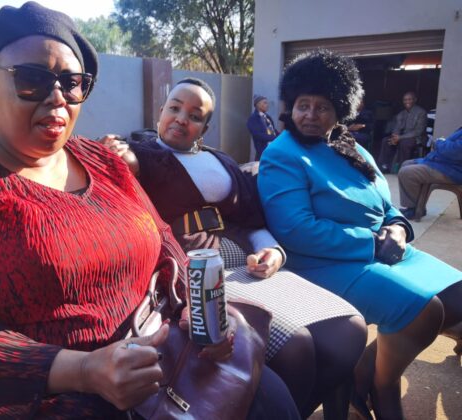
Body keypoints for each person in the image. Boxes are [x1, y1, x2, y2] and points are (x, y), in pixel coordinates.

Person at [0, 3, 299, 419]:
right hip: (43, 398)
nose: (57, 97)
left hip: (157, 353)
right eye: (32, 79)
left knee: (274, 400)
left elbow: (162, 237)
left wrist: (196, 312)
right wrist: (82, 370)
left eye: (72, 83)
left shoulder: (103, 161)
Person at [101, 78, 367, 418]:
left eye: (195, 116)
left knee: (347, 332)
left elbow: (250, 218)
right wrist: (113, 152)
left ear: (205, 128)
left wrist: (272, 250)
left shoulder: (222, 161)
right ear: (161, 112)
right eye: (175, 108)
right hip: (192, 273)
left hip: (244, 261)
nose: (181, 119)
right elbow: (114, 174)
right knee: (297, 346)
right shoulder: (141, 156)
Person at [258, 49, 462, 419]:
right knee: (424, 311)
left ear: (340, 110)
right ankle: (384, 387)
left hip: (381, 249)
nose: (310, 115)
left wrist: (398, 228)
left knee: (459, 296)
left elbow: (385, 204)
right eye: (303, 105)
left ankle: (365, 370)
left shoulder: (349, 147)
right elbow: (296, 230)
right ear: (291, 106)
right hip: (322, 264)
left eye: (322, 107)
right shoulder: (282, 154)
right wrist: (371, 243)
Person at [397, 126, 462, 220]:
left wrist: (439, 142)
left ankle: (415, 210)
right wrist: (442, 143)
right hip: (445, 164)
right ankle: (415, 207)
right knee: (406, 164)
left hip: (453, 171)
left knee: (407, 172)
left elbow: (455, 151)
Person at [377, 91, 427, 173]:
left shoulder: (421, 112)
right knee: (386, 141)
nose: (407, 102)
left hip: (416, 138)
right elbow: (397, 127)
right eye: (405, 100)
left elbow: (418, 131)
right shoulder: (401, 114)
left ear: (415, 100)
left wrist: (400, 138)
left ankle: (403, 168)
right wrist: (394, 137)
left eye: (409, 99)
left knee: (405, 143)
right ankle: (384, 166)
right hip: (401, 137)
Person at [247, 95, 279, 160]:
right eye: (265, 103)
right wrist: (274, 138)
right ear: (258, 105)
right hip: (263, 152)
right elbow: (258, 134)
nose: (267, 105)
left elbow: (272, 130)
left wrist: (281, 136)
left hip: (272, 149)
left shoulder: (267, 117)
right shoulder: (253, 119)